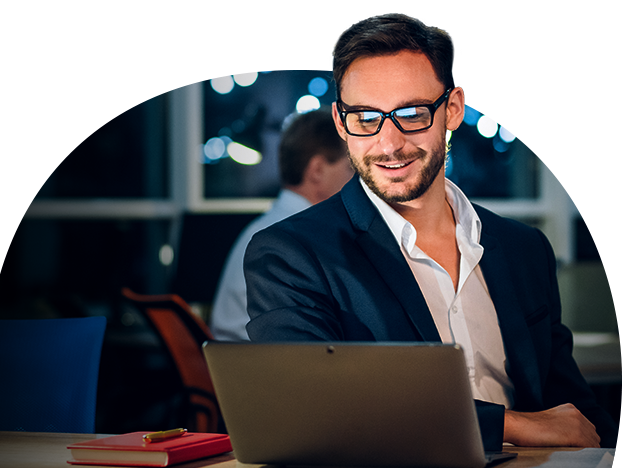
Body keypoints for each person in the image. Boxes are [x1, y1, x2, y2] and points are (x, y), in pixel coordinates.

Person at [243, 14, 618, 450]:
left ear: (453, 109)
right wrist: (510, 426)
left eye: (413, 114)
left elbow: (571, 413)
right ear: (341, 122)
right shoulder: (290, 254)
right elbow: (310, 408)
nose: (389, 143)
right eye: (366, 118)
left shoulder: (523, 248)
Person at [210, 107, 353, 341]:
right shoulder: (291, 239)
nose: (356, 180)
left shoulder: (267, 227)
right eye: (350, 168)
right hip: (258, 370)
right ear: (317, 170)